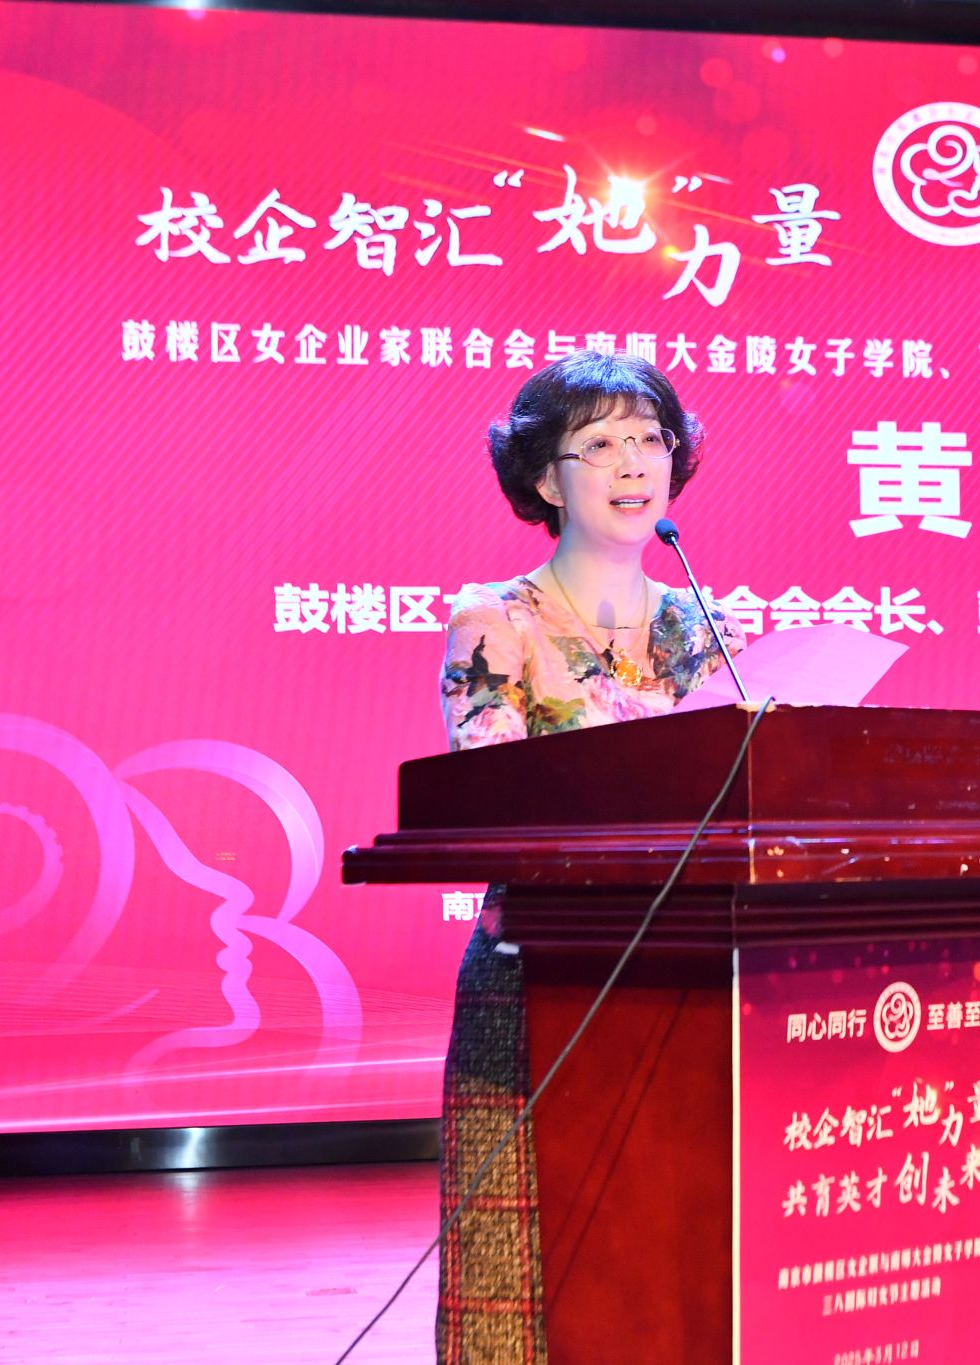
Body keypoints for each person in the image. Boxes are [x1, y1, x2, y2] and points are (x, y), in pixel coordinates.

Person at [435, 352, 743, 1364]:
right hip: (541, 967)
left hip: (690, 968)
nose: (633, 463)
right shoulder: (496, 621)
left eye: (650, 439)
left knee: (675, 1240)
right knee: (522, 1254)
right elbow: (490, 794)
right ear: (543, 478)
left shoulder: (699, 624)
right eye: (600, 443)